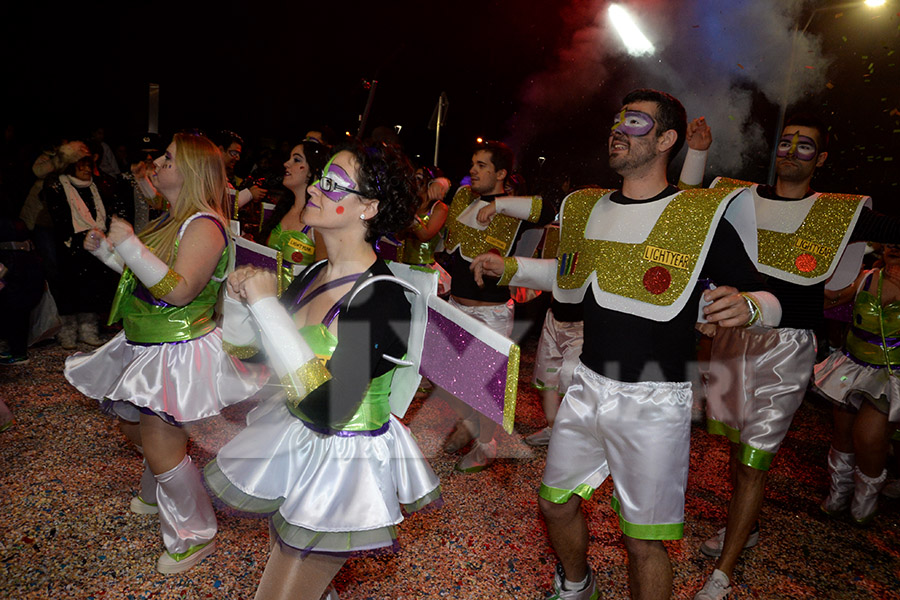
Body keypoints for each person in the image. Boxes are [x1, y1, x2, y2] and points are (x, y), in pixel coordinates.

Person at [472, 89, 779, 600]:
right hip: (589, 384)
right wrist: (512, 268)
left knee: (644, 542)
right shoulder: (589, 205)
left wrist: (751, 307)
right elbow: (575, 275)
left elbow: (768, 293)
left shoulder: (699, 217)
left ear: (666, 140)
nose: (618, 129)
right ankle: (577, 583)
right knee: (554, 503)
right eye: (618, 120)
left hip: (655, 400)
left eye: (634, 122)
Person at [205, 141, 440, 600]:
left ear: (368, 207)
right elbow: (251, 354)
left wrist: (267, 307)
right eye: (321, 178)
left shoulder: (384, 298)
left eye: (332, 183)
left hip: (344, 464)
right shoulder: (315, 272)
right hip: (296, 437)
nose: (314, 187)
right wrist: (237, 304)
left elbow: (331, 408)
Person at [682, 115, 900, 600]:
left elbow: (893, 226)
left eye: (806, 146)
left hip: (787, 350)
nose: (792, 150)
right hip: (732, 341)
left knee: (756, 460)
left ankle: (725, 571)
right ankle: (748, 528)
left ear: (820, 160)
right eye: (786, 142)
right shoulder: (736, 198)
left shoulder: (838, 213)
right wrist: (697, 152)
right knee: (740, 456)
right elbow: (684, 210)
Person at [64, 132, 270, 574]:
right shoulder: (174, 219)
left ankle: (195, 535)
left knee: (159, 438)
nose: (156, 162)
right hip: (148, 342)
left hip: (175, 349)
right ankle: (162, 480)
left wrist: (129, 245)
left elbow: (177, 292)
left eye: (168, 158)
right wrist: (110, 253)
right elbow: (149, 279)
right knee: (130, 420)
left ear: (192, 172)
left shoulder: (204, 225)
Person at [439, 140, 548, 472]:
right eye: (473, 163)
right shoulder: (461, 198)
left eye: (482, 165)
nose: (473, 170)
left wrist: (500, 206)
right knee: (451, 379)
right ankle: (468, 424)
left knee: (489, 384)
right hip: (456, 305)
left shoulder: (514, 208)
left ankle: (488, 445)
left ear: (502, 173)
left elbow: (546, 208)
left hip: (491, 311)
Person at [813, 245, 900, 523]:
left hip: (890, 378)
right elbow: (827, 300)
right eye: (891, 242)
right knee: (843, 432)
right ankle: (839, 494)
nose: (895, 247)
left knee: (869, 438)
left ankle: (864, 502)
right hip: (850, 368)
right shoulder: (866, 277)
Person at [40, 141, 118, 348]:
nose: (86, 169)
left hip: (94, 245)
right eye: (80, 165)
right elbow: (59, 218)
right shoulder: (57, 184)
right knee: (66, 286)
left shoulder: (98, 186)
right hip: (66, 245)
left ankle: (88, 327)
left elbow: (107, 213)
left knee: (91, 286)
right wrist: (78, 239)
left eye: (88, 165)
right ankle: (66, 330)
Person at [257, 139, 330, 289]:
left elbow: (323, 279)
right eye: (290, 158)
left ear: (312, 171)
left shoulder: (320, 222)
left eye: (296, 160)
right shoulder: (282, 211)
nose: (286, 164)